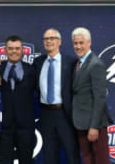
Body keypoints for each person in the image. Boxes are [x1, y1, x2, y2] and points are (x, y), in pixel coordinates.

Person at [34, 28, 80, 164]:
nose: (49, 41)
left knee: (72, 153)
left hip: (65, 114)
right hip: (46, 114)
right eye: (46, 39)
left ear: (59, 41)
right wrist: (1, 65)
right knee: (49, 154)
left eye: (52, 38)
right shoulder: (38, 62)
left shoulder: (71, 62)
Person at [71, 27, 111, 164]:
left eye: (81, 43)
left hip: (95, 125)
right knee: (87, 160)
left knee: (101, 161)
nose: (78, 46)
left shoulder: (96, 64)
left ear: (89, 43)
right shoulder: (78, 64)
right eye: (75, 43)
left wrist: (94, 127)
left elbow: (100, 98)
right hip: (81, 124)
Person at [0, 35, 37, 164]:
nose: (14, 51)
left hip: (26, 126)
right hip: (4, 126)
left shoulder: (32, 70)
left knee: (26, 161)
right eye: (11, 48)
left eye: (17, 48)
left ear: (22, 50)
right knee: (4, 161)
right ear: (5, 50)